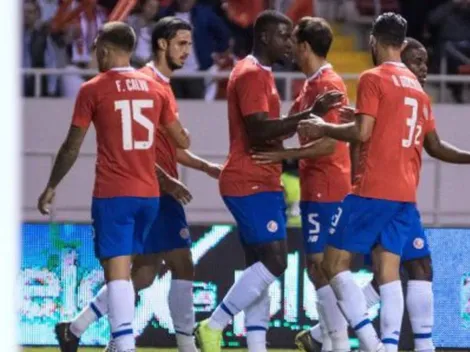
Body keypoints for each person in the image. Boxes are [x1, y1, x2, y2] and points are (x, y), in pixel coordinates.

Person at [52, 17, 221, 352]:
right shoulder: (144, 82)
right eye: (182, 44)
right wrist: (166, 179)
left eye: (189, 44)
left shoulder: (159, 86)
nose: (188, 52)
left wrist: (202, 166)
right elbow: (133, 150)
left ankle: (79, 328)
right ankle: (187, 346)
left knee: (142, 274)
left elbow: (168, 146)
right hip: (150, 190)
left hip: (150, 189)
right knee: (180, 263)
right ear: (162, 44)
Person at [194, 10, 342, 352]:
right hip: (250, 179)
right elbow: (259, 129)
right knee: (276, 261)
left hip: (262, 178)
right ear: (264, 37)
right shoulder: (250, 74)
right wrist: (309, 114)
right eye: (284, 36)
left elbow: (269, 130)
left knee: (258, 268)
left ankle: (255, 346)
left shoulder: (261, 75)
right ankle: (212, 325)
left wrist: (298, 125)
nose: (290, 42)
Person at [297, 12, 425, 352]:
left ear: (373, 41)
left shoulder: (373, 77)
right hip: (405, 193)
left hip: (373, 188)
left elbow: (361, 133)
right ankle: (390, 345)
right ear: (402, 42)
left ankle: (371, 344)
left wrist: (323, 127)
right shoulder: (417, 87)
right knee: (389, 271)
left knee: (332, 264)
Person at [252, 16, 351, 352]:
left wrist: (283, 155)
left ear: (305, 46)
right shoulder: (310, 85)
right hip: (315, 186)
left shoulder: (328, 84)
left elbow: (330, 144)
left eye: (293, 39)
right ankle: (329, 339)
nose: (289, 46)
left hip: (328, 185)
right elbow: (290, 126)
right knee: (318, 268)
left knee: (323, 267)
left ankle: (336, 341)